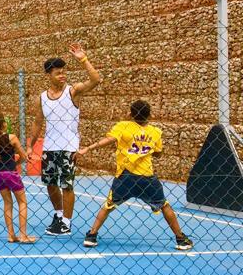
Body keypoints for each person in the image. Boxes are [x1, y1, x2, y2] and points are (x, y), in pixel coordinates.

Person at [78, 100, 193, 250]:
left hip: (126, 176)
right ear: (150, 114)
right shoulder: (155, 132)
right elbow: (158, 153)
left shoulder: (123, 126)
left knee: (108, 206)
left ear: (130, 114)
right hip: (147, 176)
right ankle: (180, 239)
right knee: (164, 205)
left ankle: (92, 235)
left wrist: (88, 148)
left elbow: (109, 139)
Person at [26, 43, 102, 236]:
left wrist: (83, 60)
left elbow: (95, 80)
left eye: (63, 72)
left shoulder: (73, 91)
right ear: (48, 75)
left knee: (67, 185)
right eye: (58, 73)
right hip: (50, 147)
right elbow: (37, 123)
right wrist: (30, 146)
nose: (62, 75)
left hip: (69, 147)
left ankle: (66, 223)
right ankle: (59, 215)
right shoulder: (42, 98)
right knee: (51, 184)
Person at [0, 112, 36, 244]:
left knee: (7, 203)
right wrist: (17, 163)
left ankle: (11, 235)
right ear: (3, 124)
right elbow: (24, 156)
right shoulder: (12, 138)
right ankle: (23, 235)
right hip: (10, 174)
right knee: (22, 202)